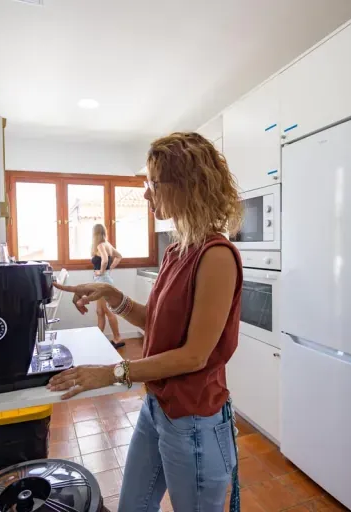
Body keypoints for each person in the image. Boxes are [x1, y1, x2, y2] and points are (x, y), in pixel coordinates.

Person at [48, 132, 244, 512]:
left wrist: (113, 373)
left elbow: (194, 356)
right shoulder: (176, 251)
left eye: (153, 183)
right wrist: (111, 295)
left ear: (186, 185)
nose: (145, 193)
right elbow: (154, 322)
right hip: (157, 407)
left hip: (195, 421)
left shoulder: (217, 256)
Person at [91, 223, 125, 349]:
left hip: (102, 280)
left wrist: (101, 271)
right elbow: (119, 256)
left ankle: (117, 338)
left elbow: (104, 260)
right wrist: (109, 268)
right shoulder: (108, 245)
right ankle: (98, 338)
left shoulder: (100, 245)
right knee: (100, 311)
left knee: (106, 310)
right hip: (103, 279)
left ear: (95, 233)